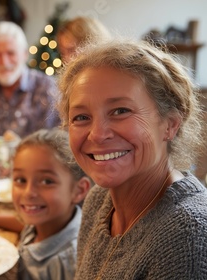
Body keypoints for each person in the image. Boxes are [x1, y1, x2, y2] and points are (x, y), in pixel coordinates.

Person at [57, 39, 207, 279]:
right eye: (81, 117)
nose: (97, 134)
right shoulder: (99, 200)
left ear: (170, 124)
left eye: (120, 111)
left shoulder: (189, 235)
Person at [0, 128, 91, 280]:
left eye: (47, 181)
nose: (28, 193)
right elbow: (23, 225)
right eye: (20, 180)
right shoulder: (46, 223)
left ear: (79, 190)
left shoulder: (69, 265)